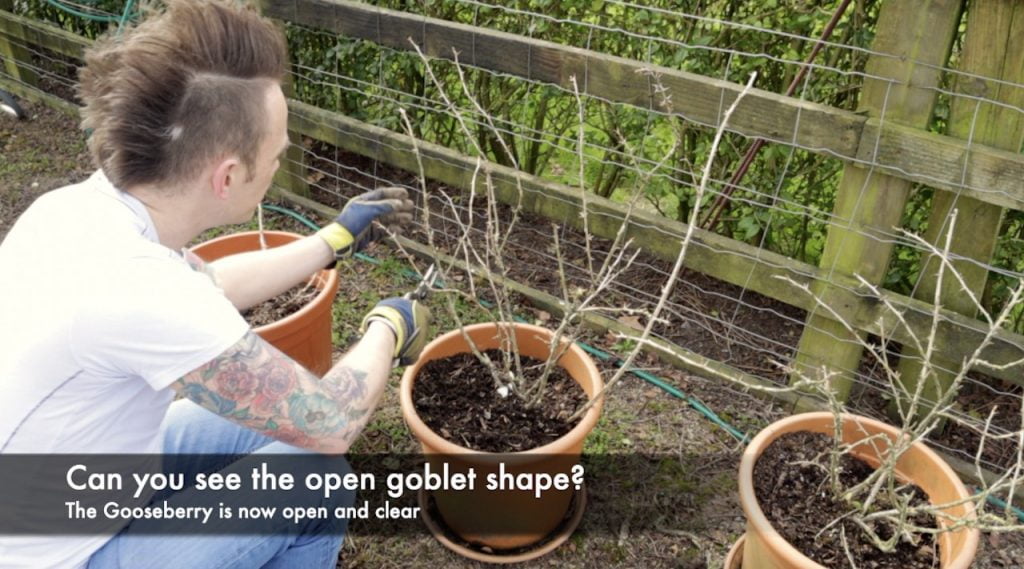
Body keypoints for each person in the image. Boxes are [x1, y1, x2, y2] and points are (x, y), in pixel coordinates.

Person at [0, 1, 430, 568]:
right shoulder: (136, 290)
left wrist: (332, 240)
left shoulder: (78, 212)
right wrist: (388, 326)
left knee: (236, 423)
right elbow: (331, 422)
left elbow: (207, 285)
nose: (281, 160)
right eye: (276, 154)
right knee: (314, 475)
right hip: (63, 553)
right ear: (227, 176)